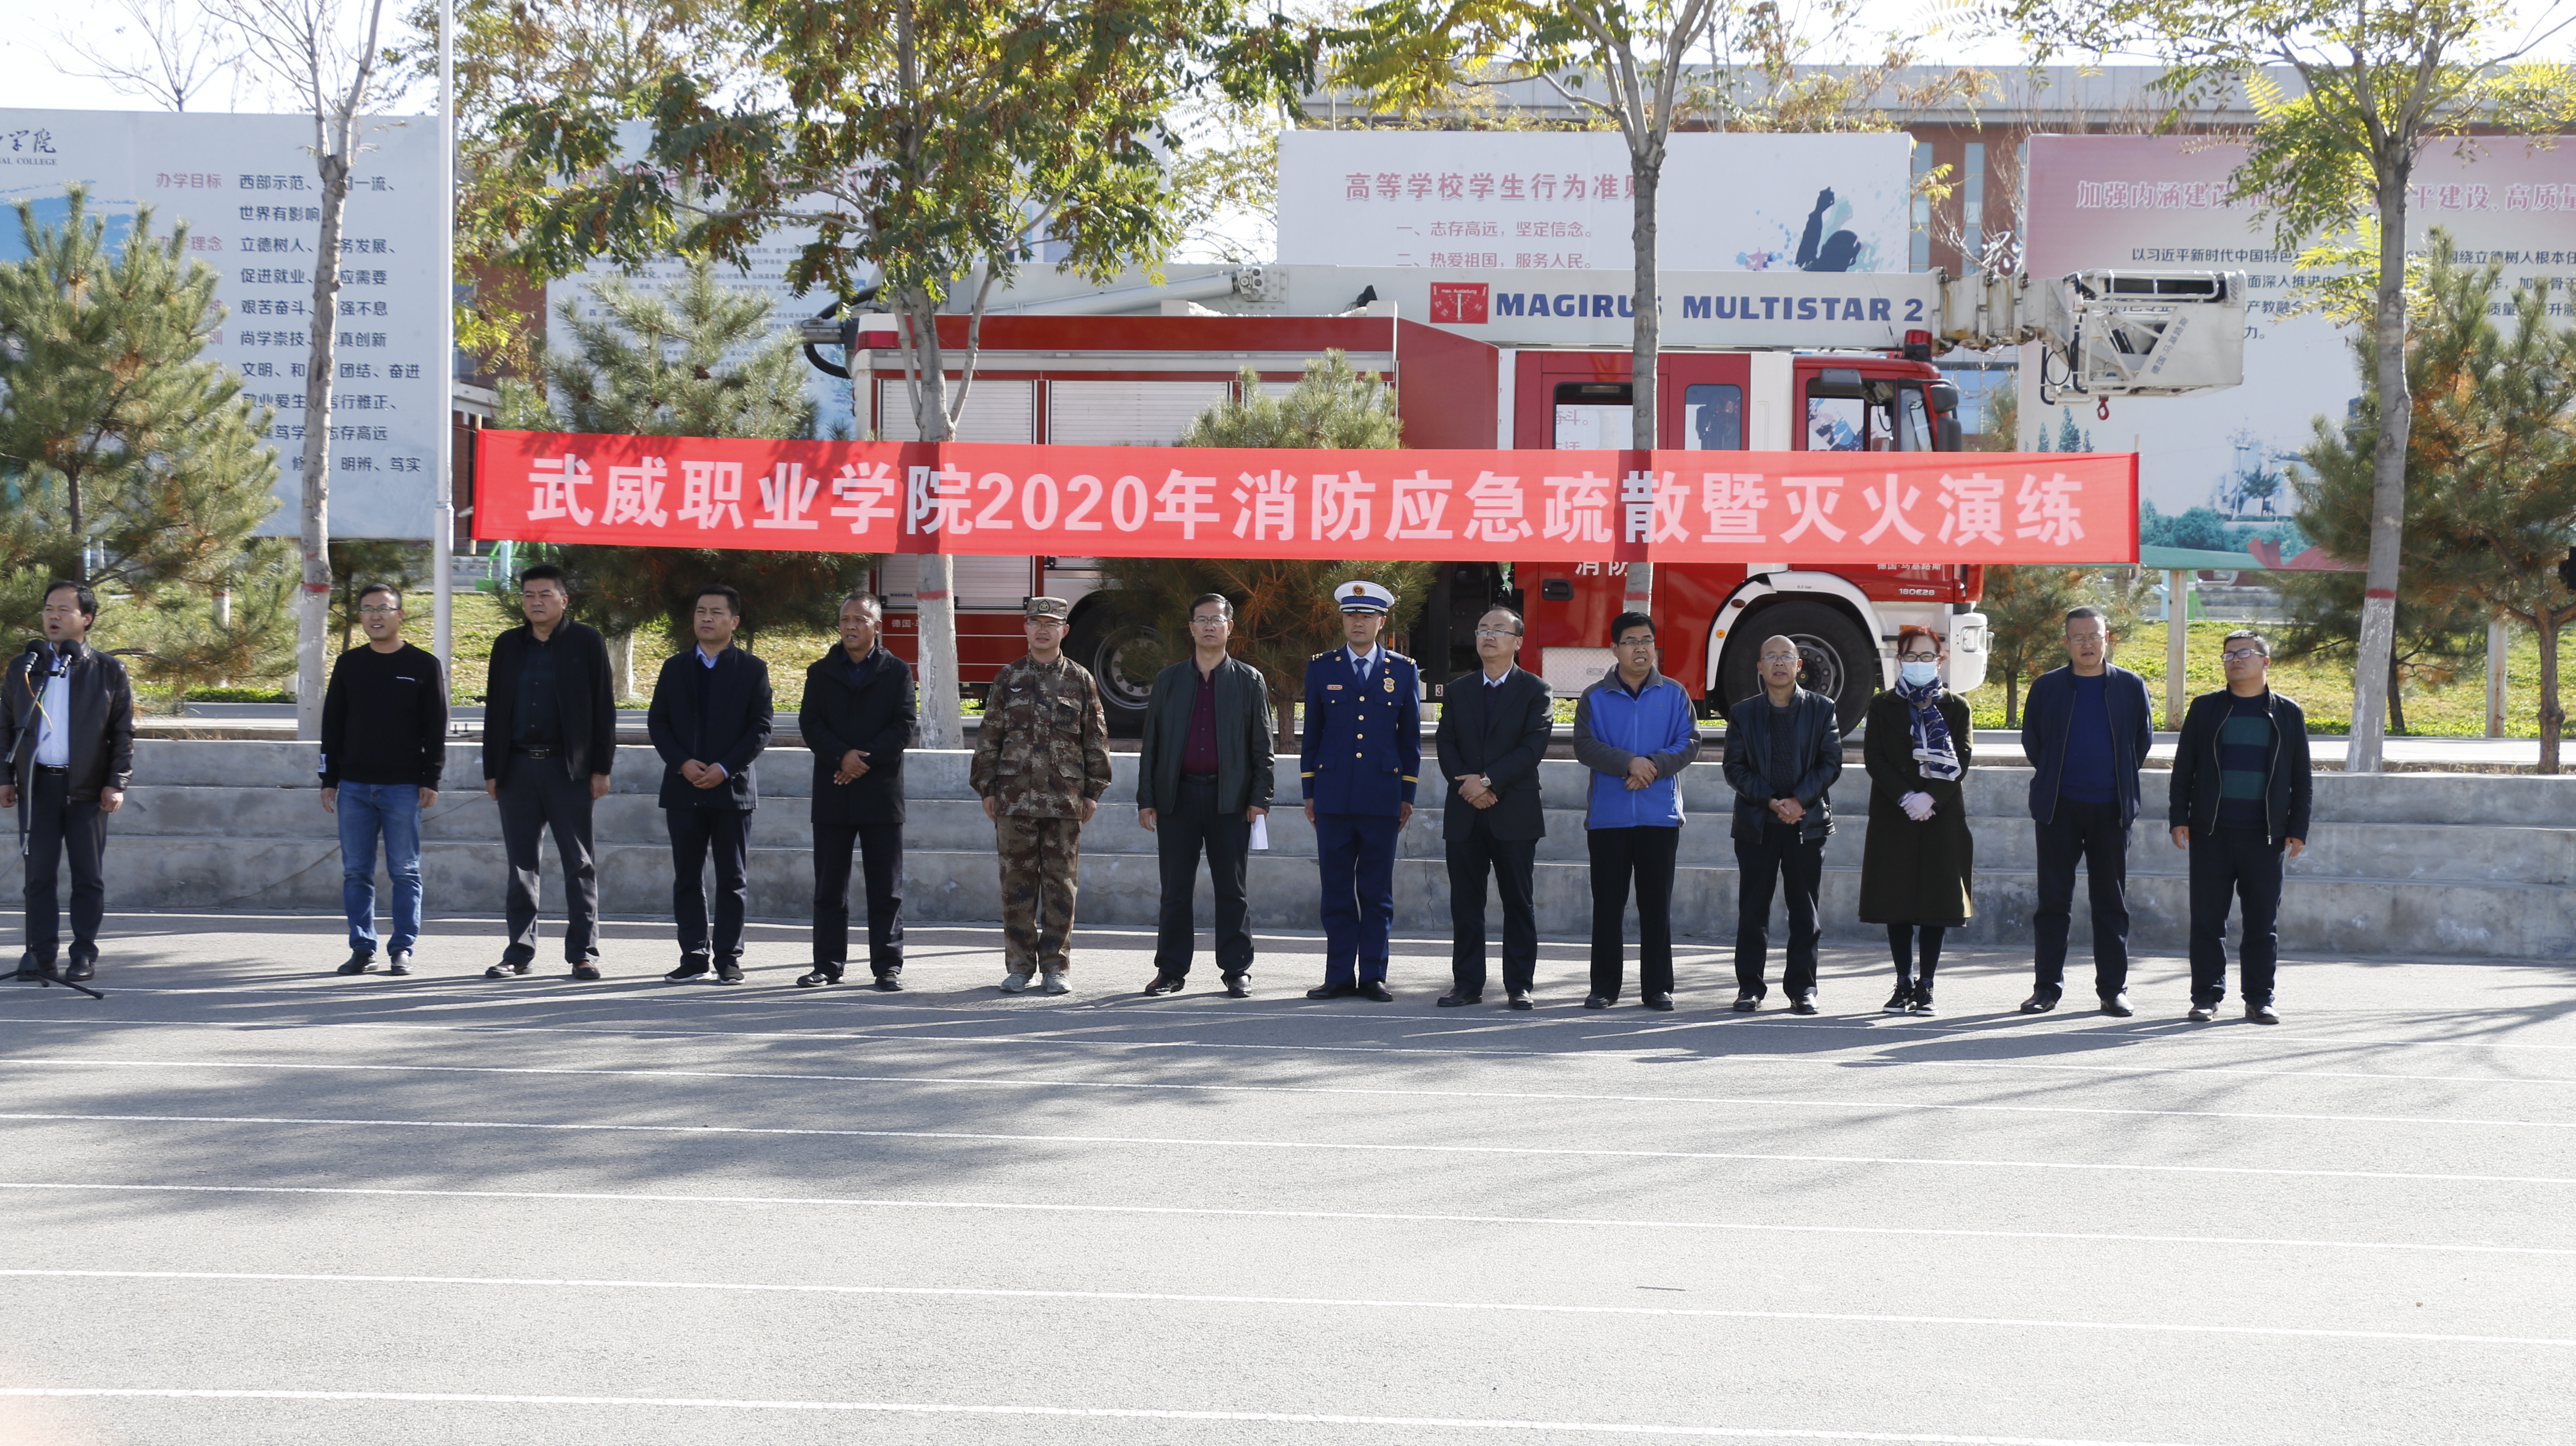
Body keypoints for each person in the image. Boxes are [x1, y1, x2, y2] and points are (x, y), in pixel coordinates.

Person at [481, 563, 617, 981]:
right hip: (518, 768)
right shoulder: (508, 645)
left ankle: (583, 954)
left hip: (568, 770)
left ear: (564, 599)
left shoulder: (586, 642)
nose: (536, 602)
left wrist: (601, 769)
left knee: (579, 864)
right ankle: (519, 953)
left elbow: (604, 709)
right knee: (521, 866)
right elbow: (494, 710)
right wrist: (493, 770)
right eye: (529, 595)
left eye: (545, 594)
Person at [2019, 605, 2156, 1016]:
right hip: (2058, 808)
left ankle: (2113, 990)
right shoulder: (2048, 687)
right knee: (2053, 903)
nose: (2087, 644)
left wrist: (2116, 782)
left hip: (2112, 810)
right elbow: (2033, 742)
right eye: (2078, 637)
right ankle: (2046, 989)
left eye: (2094, 636)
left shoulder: (2130, 686)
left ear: (2106, 638)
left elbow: (2141, 742)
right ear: (2066, 642)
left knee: (2111, 902)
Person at [970, 596, 1112, 994]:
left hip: (1065, 800)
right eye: (1036, 623)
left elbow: (1095, 739)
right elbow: (990, 737)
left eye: (1051, 624)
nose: (1043, 630)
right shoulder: (1008, 678)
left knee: (1060, 887)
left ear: (1065, 631)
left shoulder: (1081, 679)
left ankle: (1055, 966)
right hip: (1014, 798)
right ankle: (1019, 966)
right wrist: (987, 787)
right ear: (1026, 629)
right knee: (1016, 887)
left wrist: (1093, 791)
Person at [2169, 630, 2312, 1024]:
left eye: (2244, 653)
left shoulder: (2287, 713)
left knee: (2262, 924)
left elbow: (2301, 777)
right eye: (2229, 654)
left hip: (2265, 836)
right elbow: (2184, 769)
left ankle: (2260, 998)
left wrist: (2298, 827)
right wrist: (2179, 817)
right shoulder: (2206, 709)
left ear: (2265, 662)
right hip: (2211, 832)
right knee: (2207, 921)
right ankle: (2206, 996)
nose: (2235, 660)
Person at [1138, 593, 1274, 998]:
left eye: (1217, 619)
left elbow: (1262, 746)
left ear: (1230, 628)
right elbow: (1152, 744)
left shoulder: (1249, 680)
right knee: (1175, 890)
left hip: (1230, 800)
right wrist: (1147, 799)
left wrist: (1260, 799)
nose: (1210, 626)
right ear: (1192, 628)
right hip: (1177, 798)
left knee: (1232, 890)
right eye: (1202, 620)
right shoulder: (1169, 680)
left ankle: (1237, 970)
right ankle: (1170, 971)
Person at [1, 581, 134, 984]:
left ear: (86, 619)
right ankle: (41, 956)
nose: (53, 616)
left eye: (64, 610)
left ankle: (83, 956)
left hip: (88, 790)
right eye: (48, 609)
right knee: (38, 877)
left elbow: (122, 733)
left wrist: (116, 782)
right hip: (37, 787)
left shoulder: (108, 670)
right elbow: (6, 726)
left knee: (87, 876)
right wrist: (5, 777)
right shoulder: (24, 667)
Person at [1299, 579, 1421, 1002]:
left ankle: (1373, 975)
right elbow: (1312, 735)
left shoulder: (1403, 670)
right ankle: (1338, 975)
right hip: (1333, 797)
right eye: (1352, 615)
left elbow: (1410, 740)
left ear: (1381, 622)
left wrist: (1407, 795)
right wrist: (1310, 792)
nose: (1358, 622)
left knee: (1376, 892)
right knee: (1335, 891)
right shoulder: (1322, 667)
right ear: (1342, 620)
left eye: (1367, 616)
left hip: (1382, 797)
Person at [1572, 611, 1700, 1011]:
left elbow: (1689, 742)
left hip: (1659, 816)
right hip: (1608, 818)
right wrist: (1629, 763)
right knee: (1608, 906)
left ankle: (1658, 987)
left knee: (1656, 906)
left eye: (1647, 640)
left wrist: (1653, 767)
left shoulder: (1674, 694)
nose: (1640, 648)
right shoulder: (1595, 696)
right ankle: (1604, 987)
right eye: (1631, 641)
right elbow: (1585, 745)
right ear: (1615, 649)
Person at [645, 583, 773, 984]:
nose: (707, 618)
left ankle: (728, 957)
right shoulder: (675, 668)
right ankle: (694, 955)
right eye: (701, 611)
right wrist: (682, 763)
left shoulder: (752, 669)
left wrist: (725, 767)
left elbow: (761, 728)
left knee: (732, 879)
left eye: (716, 612)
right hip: (683, 787)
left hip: (732, 790)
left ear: (734, 622)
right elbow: (658, 723)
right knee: (687, 877)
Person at [319, 583, 448, 976]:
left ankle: (403, 948)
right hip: (354, 786)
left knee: (405, 871)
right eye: (368, 609)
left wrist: (431, 778)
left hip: (403, 787)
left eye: (384, 608)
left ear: (400, 615)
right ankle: (362, 947)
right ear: (361, 617)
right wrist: (329, 778)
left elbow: (435, 728)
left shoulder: (423, 665)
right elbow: (333, 724)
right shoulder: (349, 664)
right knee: (356, 871)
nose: (376, 616)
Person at [1434, 605, 1553, 1010]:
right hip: (1465, 811)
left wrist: (1486, 782)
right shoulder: (1459, 690)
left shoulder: (1536, 690)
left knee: (1518, 901)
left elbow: (1532, 748)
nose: (1488, 635)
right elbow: (1446, 743)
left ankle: (1519, 985)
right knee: (1466, 903)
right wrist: (1467, 786)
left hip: (1513, 811)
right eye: (1483, 628)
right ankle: (1467, 984)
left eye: (1499, 630)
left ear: (1517, 642)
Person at [799, 591, 916, 991]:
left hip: (880, 793)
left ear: (877, 627)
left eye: (859, 620)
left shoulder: (896, 671)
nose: (850, 626)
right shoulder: (820, 672)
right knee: (830, 887)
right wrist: (841, 757)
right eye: (845, 619)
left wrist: (861, 760)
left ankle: (887, 966)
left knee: (886, 888)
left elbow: (903, 725)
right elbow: (811, 724)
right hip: (833, 790)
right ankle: (827, 965)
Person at [1722, 635, 1842, 1013]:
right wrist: (1773, 801)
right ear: (1760, 667)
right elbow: (1735, 768)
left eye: (1786, 656)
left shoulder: (1822, 709)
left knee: (1805, 911)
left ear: (1798, 666)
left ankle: (1803, 988)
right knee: (1753, 910)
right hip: (1758, 824)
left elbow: (1830, 763)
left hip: (1806, 823)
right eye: (1770, 656)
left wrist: (1798, 801)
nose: (1779, 662)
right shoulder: (1743, 713)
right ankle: (1750, 988)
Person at [1858, 627, 1973, 1016]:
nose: (1919, 664)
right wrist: (1907, 797)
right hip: (1895, 812)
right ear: (1899, 661)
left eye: (1927, 657)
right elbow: (1875, 758)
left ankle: (1927, 985)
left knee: (1935, 903)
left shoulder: (1957, 707)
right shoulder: (1882, 704)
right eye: (1911, 657)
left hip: (1941, 815)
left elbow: (1962, 757)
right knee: (1897, 900)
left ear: (1940, 661)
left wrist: (1931, 798)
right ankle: (1903, 981)